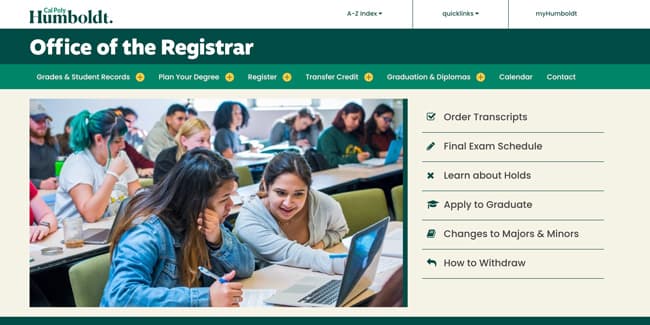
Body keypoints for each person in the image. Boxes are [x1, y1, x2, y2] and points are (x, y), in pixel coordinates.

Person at [101, 148, 255, 307]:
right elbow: (121, 296)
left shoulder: (202, 220)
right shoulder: (147, 231)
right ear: (196, 201)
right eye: (224, 199)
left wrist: (218, 241)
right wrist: (206, 298)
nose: (230, 205)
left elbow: (247, 268)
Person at [234, 152, 349, 274]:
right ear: (265, 185)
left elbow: (339, 230)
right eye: (280, 193)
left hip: (311, 278)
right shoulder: (248, 220)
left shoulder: (324, 204)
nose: (288, 203)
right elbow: (289, 253)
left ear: (308, 190)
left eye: (299, 194)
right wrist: (344, 265)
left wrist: (321, 244)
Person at [55, 109, 141, 223]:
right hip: (76, 235)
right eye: (117, 141)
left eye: (123, 139)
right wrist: (112, 175)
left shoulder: (120, 156)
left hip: (107, 228)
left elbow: (136, 195)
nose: (123, 146)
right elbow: (91, 215)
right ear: (99, 139)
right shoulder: (78, 163)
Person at [153, 118, 211, 183]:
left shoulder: (209, 160)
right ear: (184, 140)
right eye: (201, 141)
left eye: (208, 140)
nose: (207, 145)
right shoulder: (165, 159)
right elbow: (167, 191)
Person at [317, 102, 372, 167]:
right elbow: (331, 161)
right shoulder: (328, 135)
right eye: (354, 118)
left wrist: (368, 155)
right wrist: (356, 158)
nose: (357, 123)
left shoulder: (357, 134)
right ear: (343, 115)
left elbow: (370, 153)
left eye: (359, 121)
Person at [114, 107, 154, 178]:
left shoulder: (132, 137)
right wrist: (138, 171)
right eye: (128, 121)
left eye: (133, 122)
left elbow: (140, 160)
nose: (131, 125)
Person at [29, 102, 59, 190]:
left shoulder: (54, 143)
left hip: (52, 197)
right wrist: (40, 184)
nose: (43, 125)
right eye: (38, 121)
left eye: (45, 121)